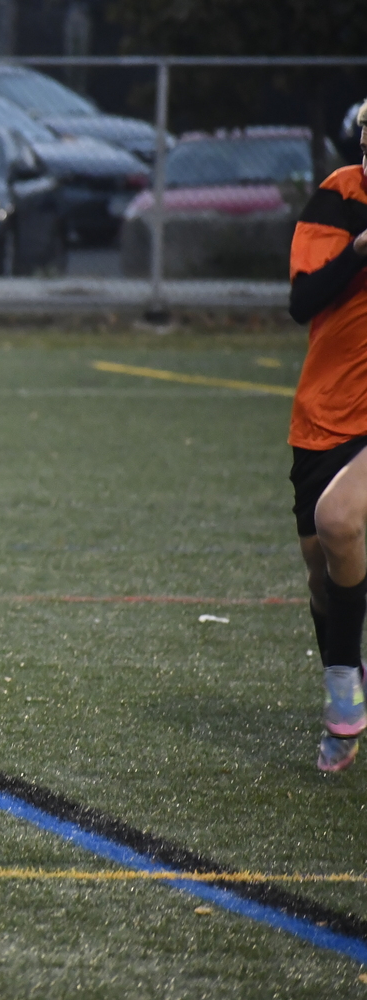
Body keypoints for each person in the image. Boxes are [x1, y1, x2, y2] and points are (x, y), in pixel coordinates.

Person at [288, 102, 367, 772]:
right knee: (319, 571)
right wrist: (360, 249)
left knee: (339, 521)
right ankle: (346, 676)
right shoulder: (340, 197)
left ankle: (344, 691)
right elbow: (303, 301)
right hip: (324, 411)